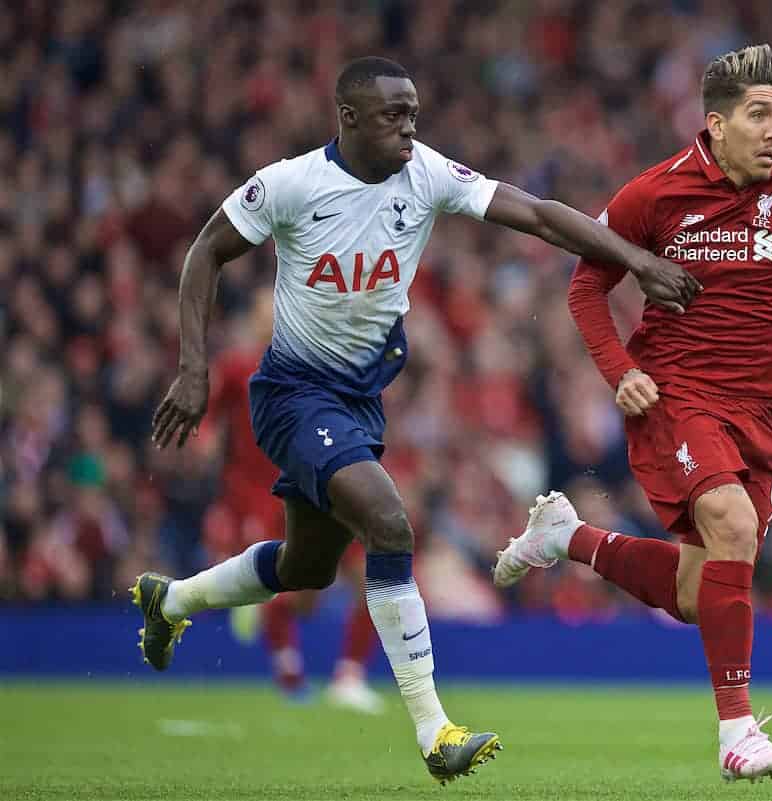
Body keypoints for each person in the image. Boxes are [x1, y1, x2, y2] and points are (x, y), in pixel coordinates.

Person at [131, 56, 701, 785]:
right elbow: (206, 249)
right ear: (349, 118)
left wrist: (634, 261)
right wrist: (192, 364)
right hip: (293, 392)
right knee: (390, 523)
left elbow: (535, 213)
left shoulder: (426, 173)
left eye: (414, 112)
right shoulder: (291, 183)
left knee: (307, 564)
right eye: (395, 114)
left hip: (359, 401)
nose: (410, 126)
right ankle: (436, 731)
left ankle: (171, 598)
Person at [493, 44, 772, 783]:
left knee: (693, 593)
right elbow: (586, 288)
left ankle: (568, 536)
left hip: (767, 411)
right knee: (734, 525)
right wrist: (622, 372)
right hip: (678, 393)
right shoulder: (655, 194)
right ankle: (736, 732)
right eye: (759, 116)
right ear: (716, 123)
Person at [207, 289, 382, 714]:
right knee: (300, 592)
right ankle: (288, 670)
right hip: (261, 496)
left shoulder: (312, 364)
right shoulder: (236, 367)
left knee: (374, 575)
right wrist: (206, 440)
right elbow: (207, 411)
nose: (274, 319)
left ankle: (348, 676)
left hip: (324, 489)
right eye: (266, 312)